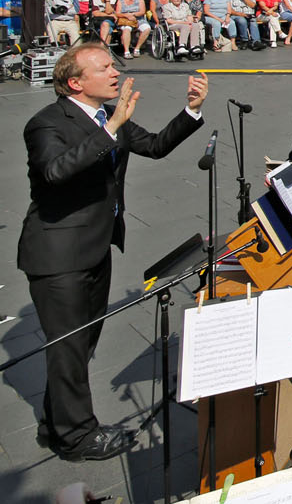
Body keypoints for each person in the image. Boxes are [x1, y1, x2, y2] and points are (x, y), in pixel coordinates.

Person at [20, 44, 208, 459]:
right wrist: (111, 129)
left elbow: (156, 145)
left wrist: (191, 110)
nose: (114, 73)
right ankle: (76, 438)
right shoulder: (47, 123)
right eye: (104, 67)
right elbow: (55, 171)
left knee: (80, 345)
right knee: (68, 346)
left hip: (94, 248)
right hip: (59, 255)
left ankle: (57, 421)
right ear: (75, 82)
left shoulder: (108, 116)